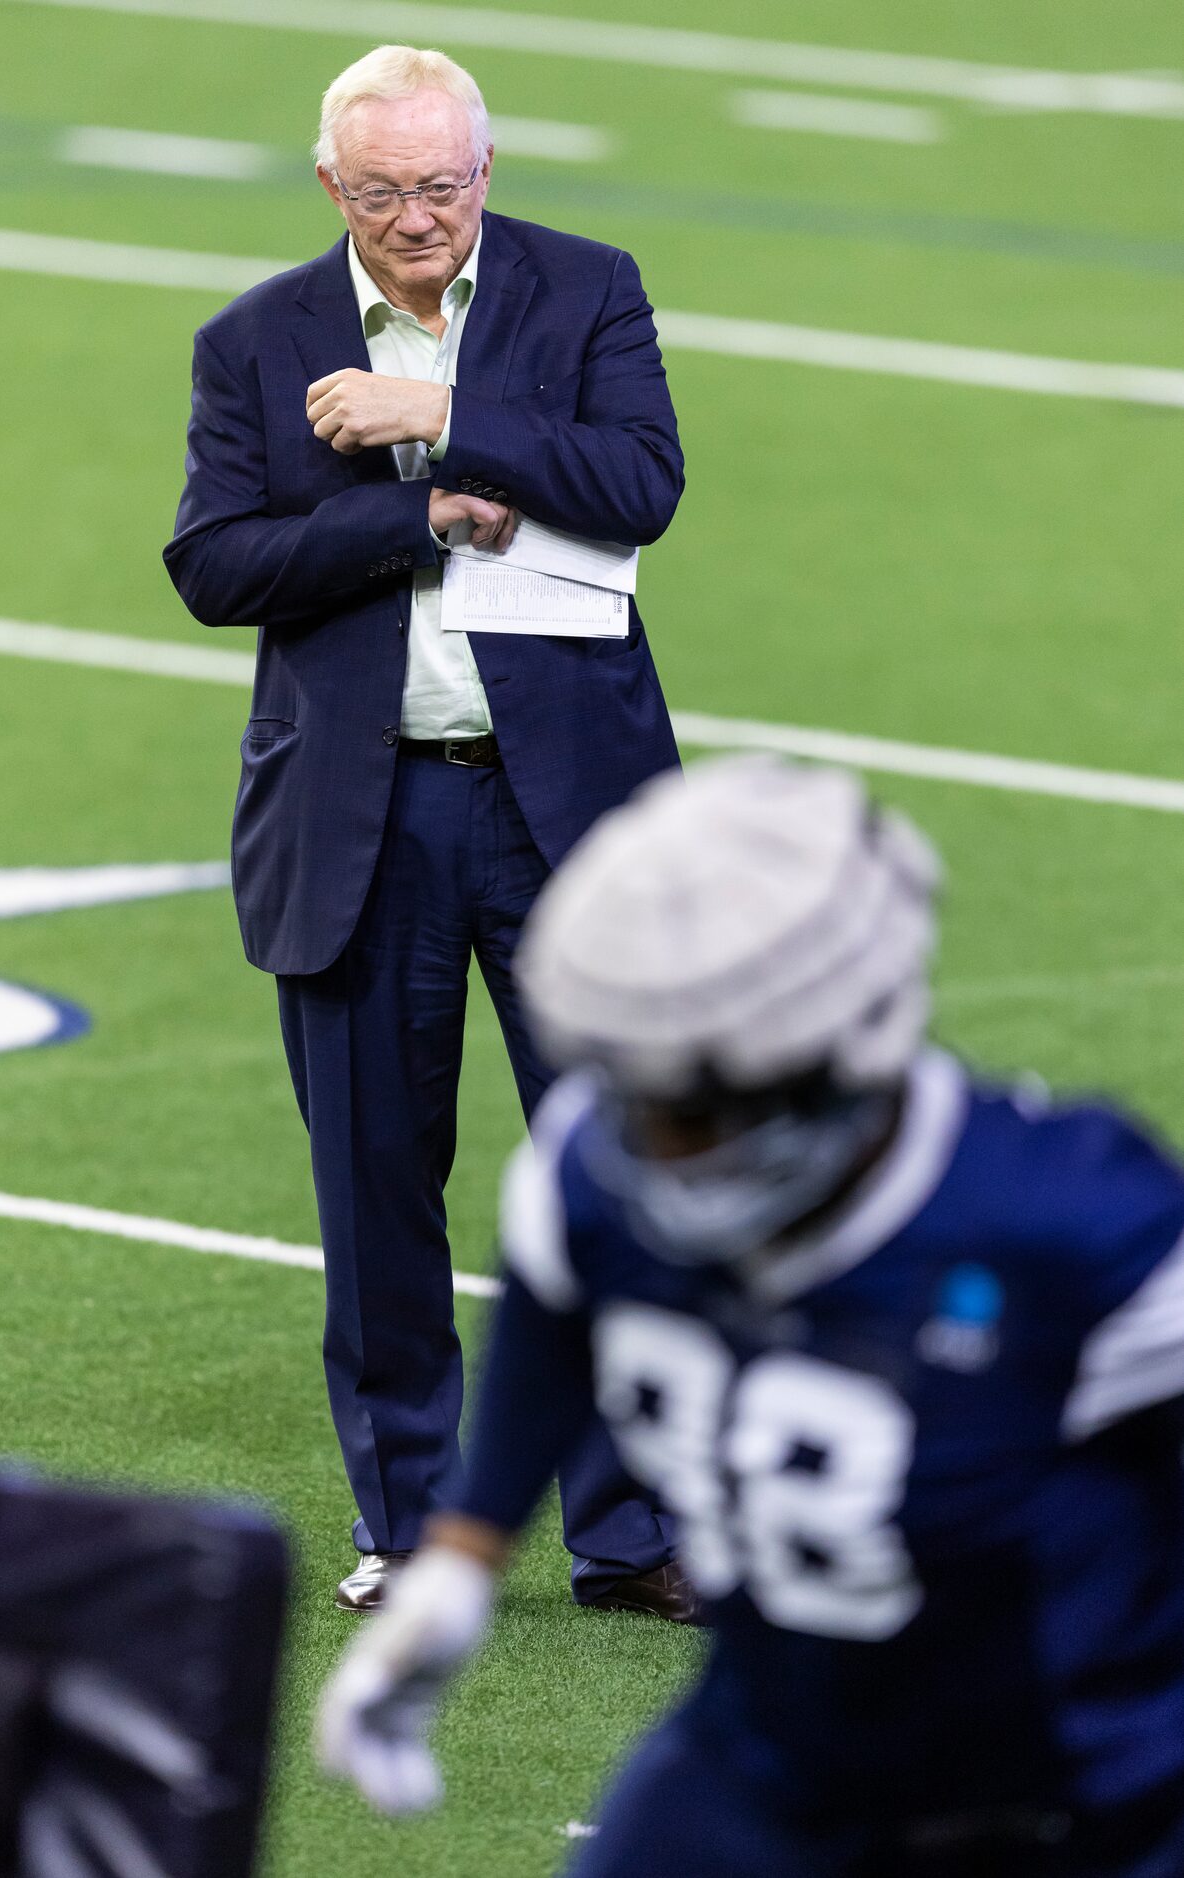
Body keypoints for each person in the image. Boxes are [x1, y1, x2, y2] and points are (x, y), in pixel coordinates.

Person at [316, 755, 1184, 1877]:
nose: (653, 1148)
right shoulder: (594, 1166)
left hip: (1074, 1807)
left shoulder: (1073, 1225)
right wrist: (464, 1556)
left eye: (693, 1107)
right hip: (761, 1766)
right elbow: (550, 1320)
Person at [163, 46, 689, 1618]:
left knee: (611, 1174)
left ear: (486, 167)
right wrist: (418, 514)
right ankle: (410, 1522)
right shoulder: (254, 340)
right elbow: (214, 561)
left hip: (566, 813)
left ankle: (634, 1532)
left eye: (445, 185)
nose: (419, 219)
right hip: (359, 814)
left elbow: (642, 482)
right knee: (376, 1184)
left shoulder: (585, 290)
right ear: (332, 183)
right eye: (385, 190)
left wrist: (443, 418)